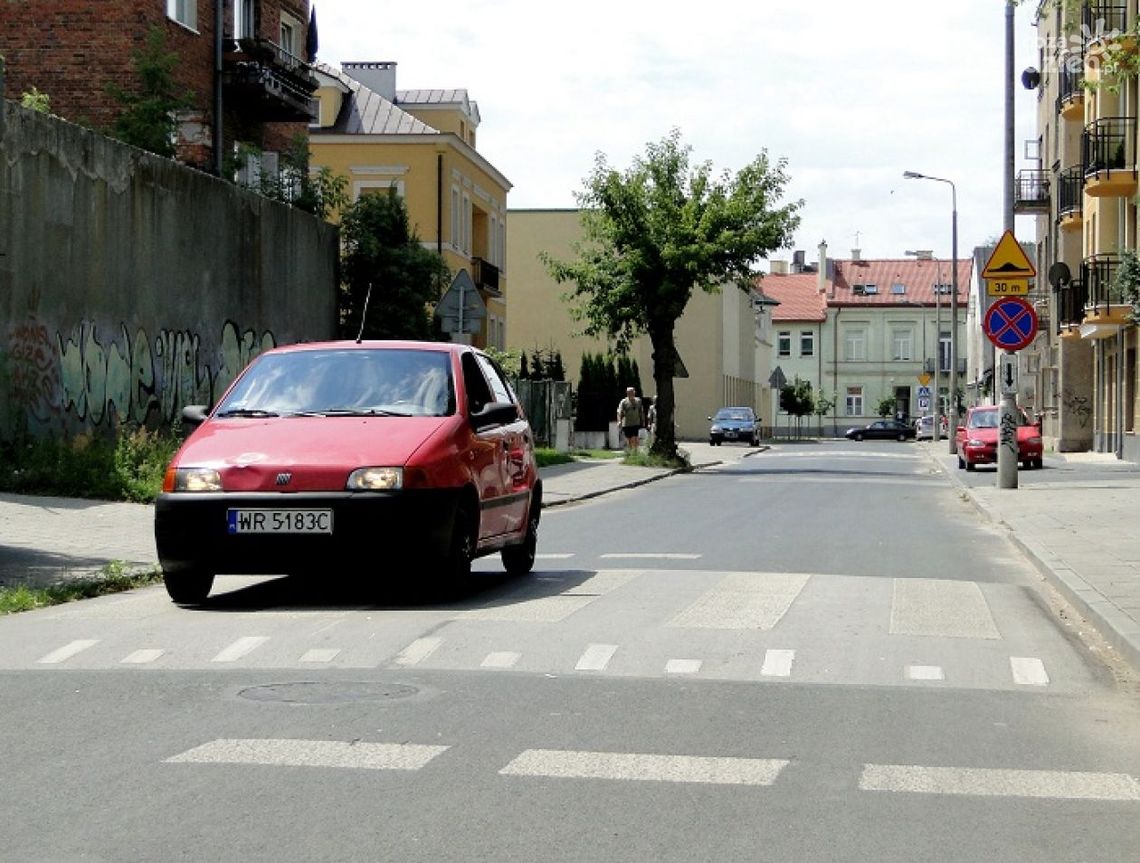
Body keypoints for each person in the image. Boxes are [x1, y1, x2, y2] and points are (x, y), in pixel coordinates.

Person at [616, 386, 644, 451]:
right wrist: (619, 421)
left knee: (635, 438)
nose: (631, 393)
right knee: (629, 439)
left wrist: (643, 420)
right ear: (627, 393)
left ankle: (635, 451)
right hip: (627, 424)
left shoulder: (638, 400)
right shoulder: (623, 401)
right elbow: (619, 412)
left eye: (632, 392)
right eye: (629, 392)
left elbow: (641, 411)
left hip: (636, 422)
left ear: (634, 392)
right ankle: (631, 451)